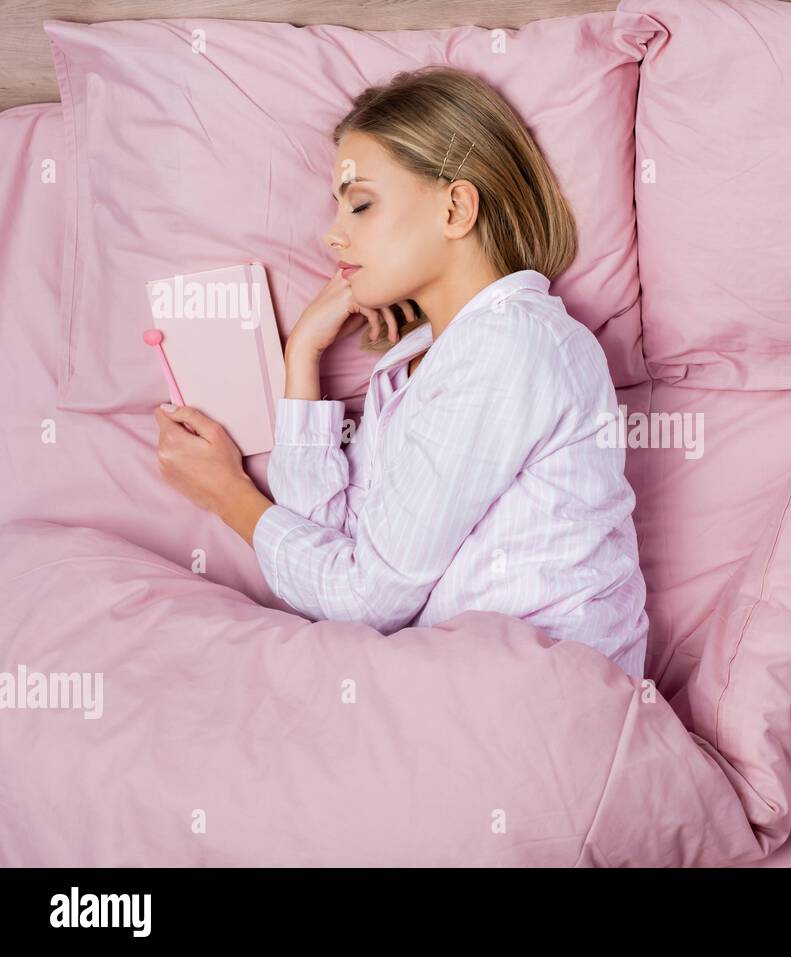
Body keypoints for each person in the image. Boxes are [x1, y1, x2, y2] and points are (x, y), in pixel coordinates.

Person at [153, 66, 649, 679]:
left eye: (360, 204)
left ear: (456, 207)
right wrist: (304, 351)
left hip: (539, 695)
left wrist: (228, 496)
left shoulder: (513, 345)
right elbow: (334, 559)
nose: (332, 235)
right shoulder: (419, 362)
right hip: (458, 690)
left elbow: (368, 600)